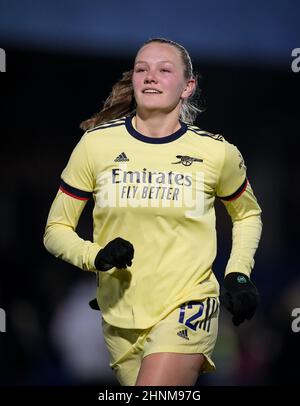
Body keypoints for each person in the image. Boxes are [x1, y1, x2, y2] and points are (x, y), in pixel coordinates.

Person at [43, 37, 262, 386]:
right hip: (120, 315)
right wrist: (95, 255)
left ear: (188, 86)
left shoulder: (216, 152)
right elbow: (55, 229)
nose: (150, 77)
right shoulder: (96, 145)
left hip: (189, 304)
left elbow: (248, 214)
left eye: (164, 70)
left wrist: (238, 273)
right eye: (142, 69)